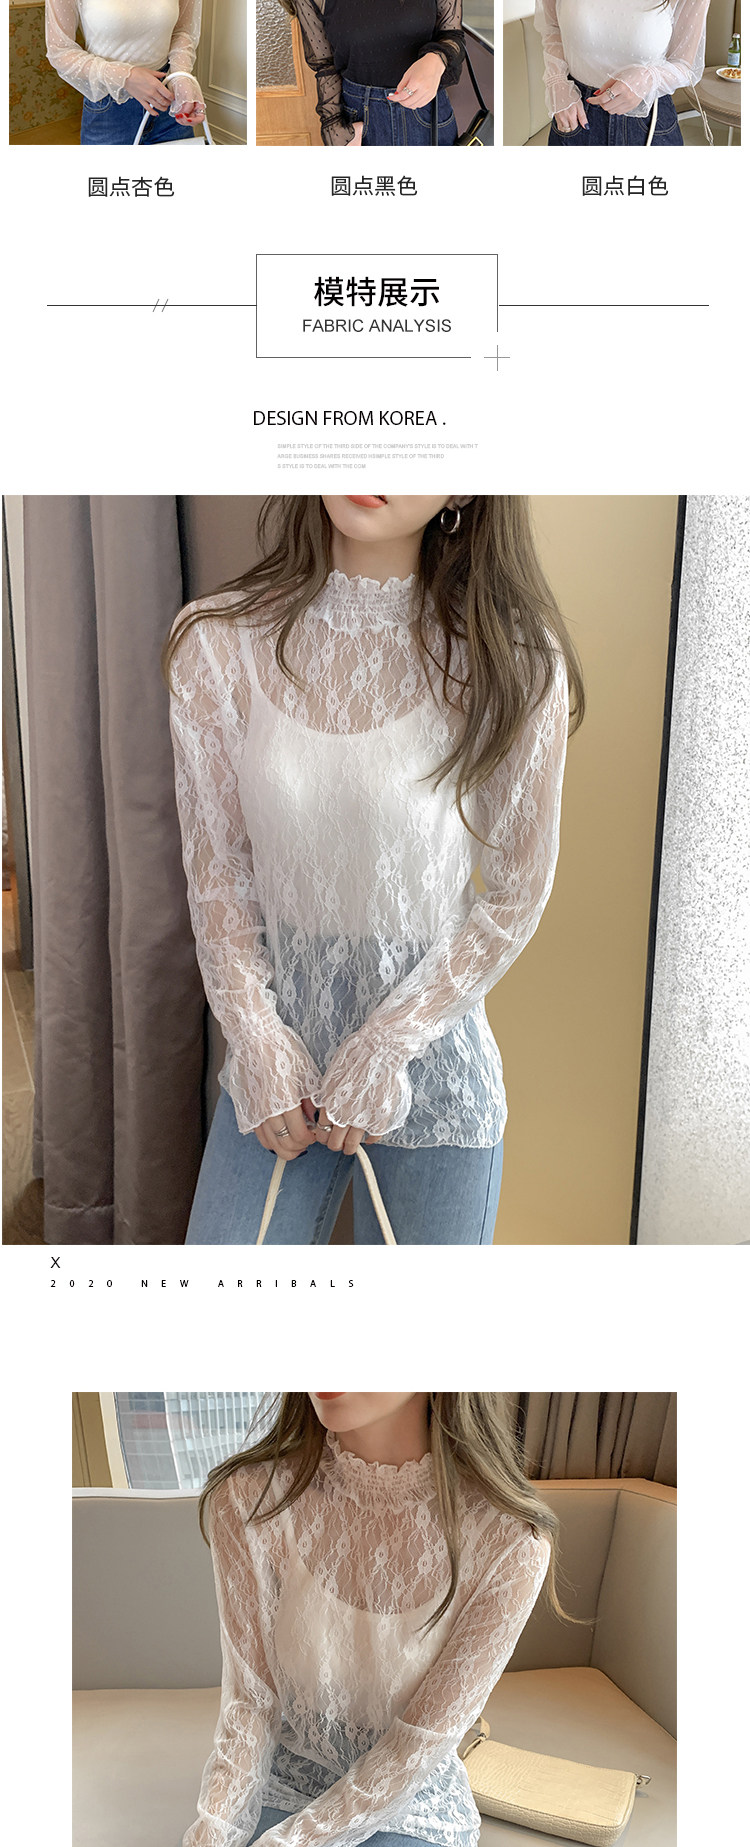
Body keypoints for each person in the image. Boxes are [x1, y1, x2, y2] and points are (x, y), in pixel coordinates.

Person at [165, 495, 584, 1246]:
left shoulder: (513, 659)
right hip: (276, 1075)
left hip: (434, 1070)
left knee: (413, 1330)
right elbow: (218, 871)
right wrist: (256, 1041)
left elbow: (517, 893)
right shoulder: (218, 643)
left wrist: (386, 1044)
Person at [183, 1391, 562, 1847]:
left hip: (410, 1806)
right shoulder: (249, 1500)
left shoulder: (510, 1541)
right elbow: (250, 1704)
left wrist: (290, 1843)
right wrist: (212, 1834)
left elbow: (415, 1746)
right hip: (281, 1788)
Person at [276, 1, 464, 146]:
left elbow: (452, 34)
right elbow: (325, 65)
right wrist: (333, 127)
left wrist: (436, 59)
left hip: (428, 114)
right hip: (360, 118)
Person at [535, 0, 710, 145]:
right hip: (575, 113)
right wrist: (557, 82)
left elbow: (684, 65)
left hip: (648, 119)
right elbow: (552, 29)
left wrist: (648, 78)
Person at [45, 0, 205, 144]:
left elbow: (181, 32)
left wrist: (181, 77)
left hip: (168, 100)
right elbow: (60, 51)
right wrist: (126, 77)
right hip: (109, 107)